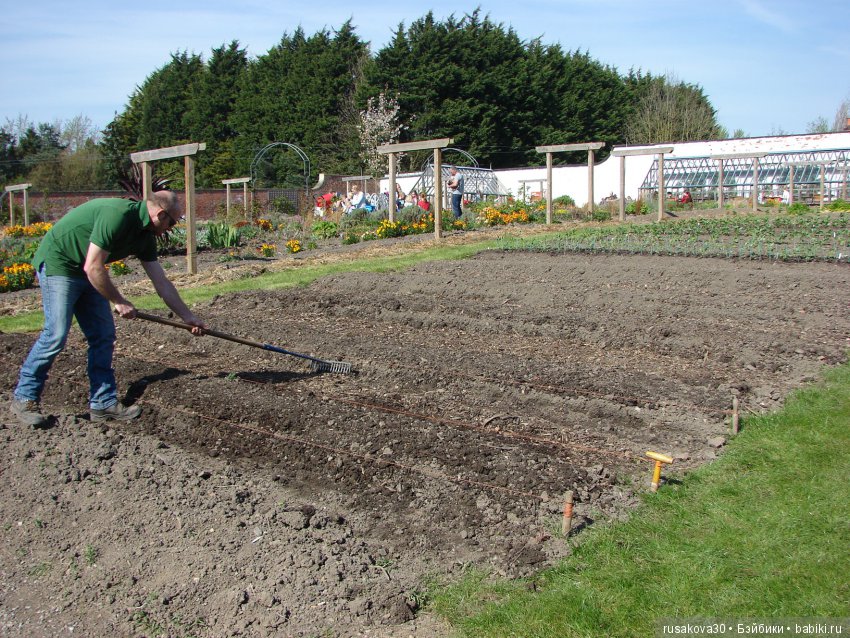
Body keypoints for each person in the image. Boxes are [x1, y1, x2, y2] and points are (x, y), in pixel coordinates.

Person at [10, 190, 205, 428]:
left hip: (87, 271)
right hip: (60, 263)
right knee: (56, 335)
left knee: (103, 335)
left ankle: (102, 403)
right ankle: (25, 397)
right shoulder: (118, 215)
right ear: (160, 214)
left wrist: (188, 317)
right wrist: (118, 300)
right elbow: (93, 266)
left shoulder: (145, 236)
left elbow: (161, 282)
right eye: (172, 222)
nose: (171, 228)